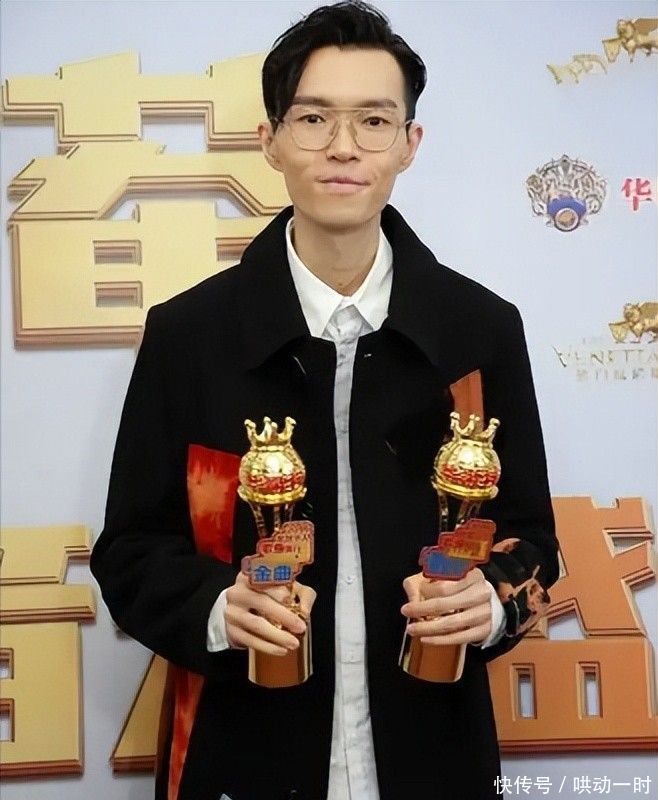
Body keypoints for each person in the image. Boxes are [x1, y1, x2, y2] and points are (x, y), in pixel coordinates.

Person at [90, 3, 559, 799]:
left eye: (373, 120)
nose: (343, 146)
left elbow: (533, 537)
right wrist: (220, 609)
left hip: (434, 752)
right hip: (243, 750)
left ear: (410, 143)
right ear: (270, 139)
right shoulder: (190, 335)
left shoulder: (479, 330)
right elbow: (130, 550)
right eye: (313, 118)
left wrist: (493, 605)